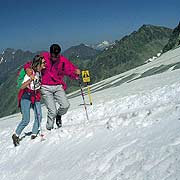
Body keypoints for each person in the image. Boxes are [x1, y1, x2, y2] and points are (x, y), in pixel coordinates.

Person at [39, 44, 80, 130]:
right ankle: (49, 128)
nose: (55, 57)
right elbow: (32, 65)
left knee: (65, 105)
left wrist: (76, 73)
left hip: (57, 85)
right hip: (45, 87)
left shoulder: (62, 60)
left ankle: (59, 115)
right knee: (52, 111)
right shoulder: (43, 57)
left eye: (57, 55)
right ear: (50, 53)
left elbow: (70, 69)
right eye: (53, 55)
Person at [12, 55, 46, 146]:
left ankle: (34, 134)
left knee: (39, 116)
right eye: (43, 63)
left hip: (35, 96)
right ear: (38, 64)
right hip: (26, 96)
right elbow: (22, 86)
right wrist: (30, 79)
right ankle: (16, 135)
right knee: (26, 120)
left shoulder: (39, 72)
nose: (45, 64)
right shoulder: (30, 73)